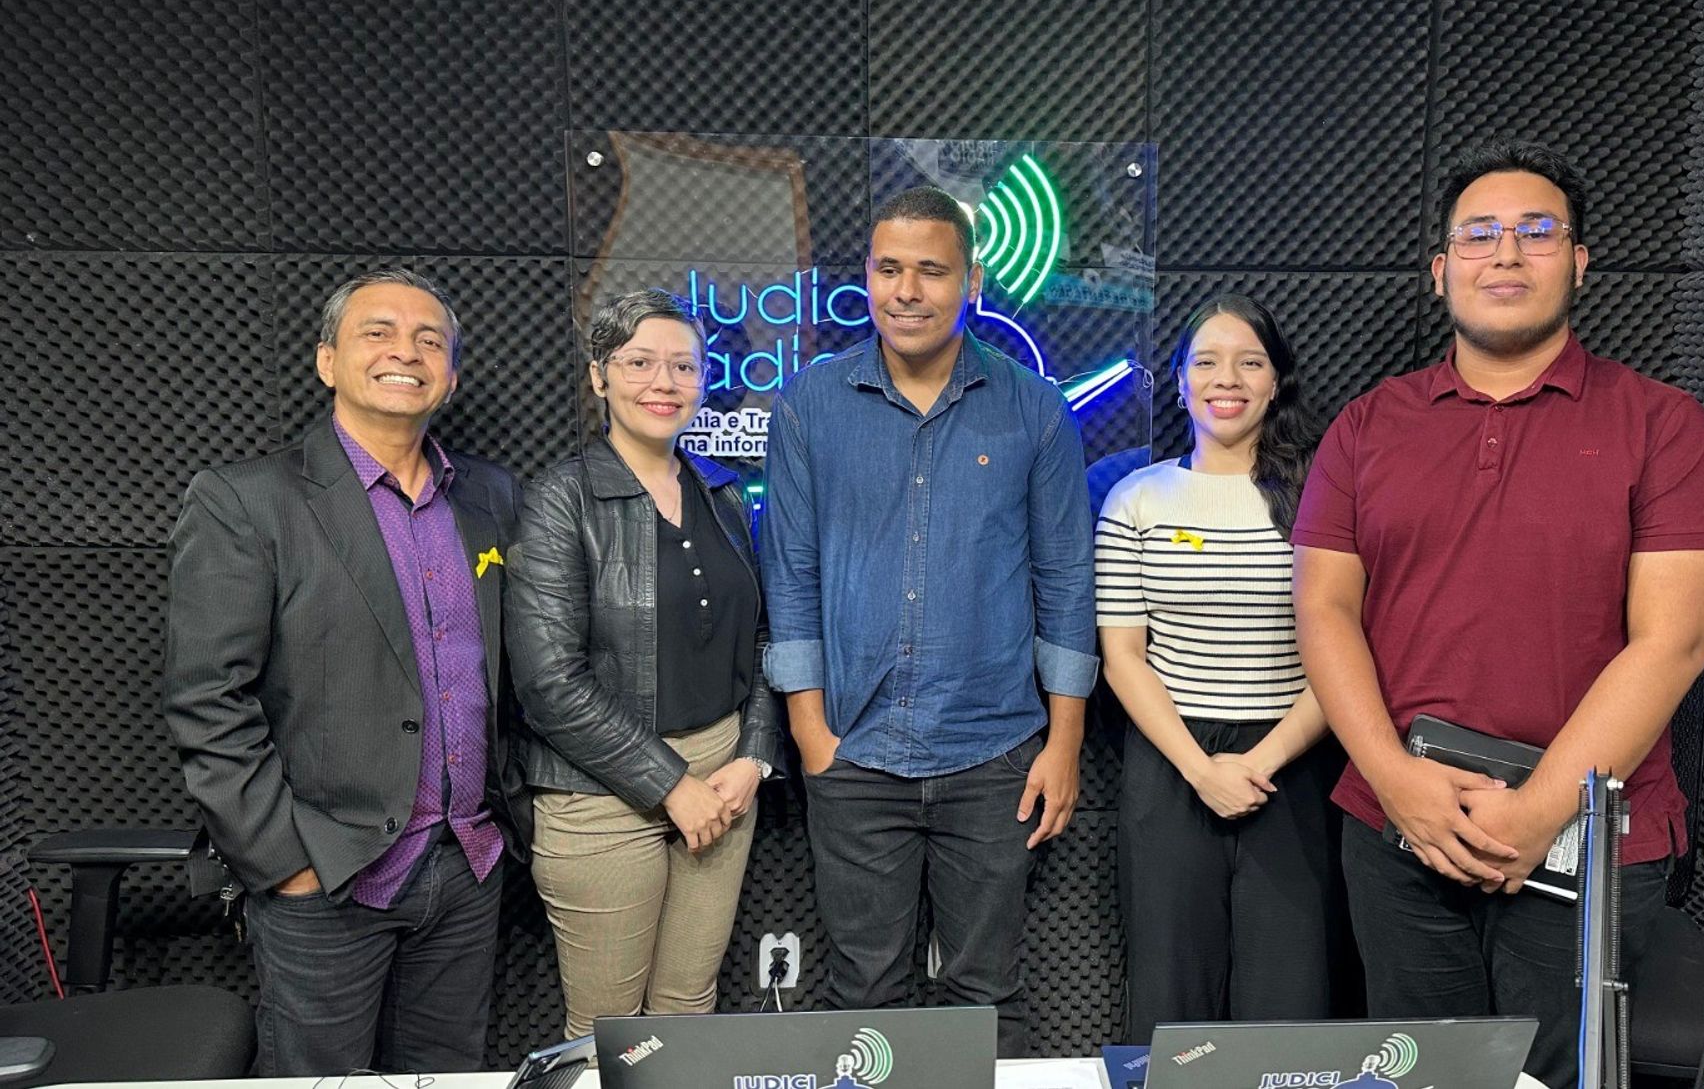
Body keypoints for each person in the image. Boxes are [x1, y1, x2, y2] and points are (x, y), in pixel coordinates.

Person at [1291, 143, 1704, 1089]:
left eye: (1537, 233)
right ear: (1440, 268)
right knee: (1419, 1073)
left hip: (1587, 836)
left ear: (1579, 263)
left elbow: (1675, 641)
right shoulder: (1368, 424)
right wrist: (1397, 784)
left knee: (1557, 1076)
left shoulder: (1664, 425)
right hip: (1398, 828)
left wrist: (1539, 813)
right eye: (1480, 234)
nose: (1506, 254)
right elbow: (1325, 611)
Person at [759, 185, 1098, 1056]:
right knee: (861, 989)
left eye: (931, 270)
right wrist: (809, 730)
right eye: (888, 268)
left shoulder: (1034, 410)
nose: (907, 289)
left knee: (986, 991)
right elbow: (790, 575)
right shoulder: (809, 404)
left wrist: (1062, 745)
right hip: (854, 752)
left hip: (995, 754)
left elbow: (1065, 582)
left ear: (972, 280)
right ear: (866, 276)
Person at [161, 269, 527, 1075]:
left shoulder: (493, 498)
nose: (407, 350)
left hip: (466, 870)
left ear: (453, 376)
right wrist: (284, 862)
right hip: (327, 878)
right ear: (327, 360)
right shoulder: (248, 500)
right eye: (378, 332)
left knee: (447, 1075)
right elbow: (206, 701)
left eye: (430, 339)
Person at [505, 289, 780, 1038]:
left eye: (683, 365)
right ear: (599, 377)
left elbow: (765, 640)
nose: (664, 381)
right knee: (608, 1030)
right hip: (599, 795)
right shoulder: (561, 498)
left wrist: (753, 757)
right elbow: (547, 682)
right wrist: (669, 784)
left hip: (722, 779)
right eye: (639, 362)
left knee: (689, 1014)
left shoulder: (723, 493)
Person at [1096, 294, 1343, 1041]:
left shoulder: (1324, 499)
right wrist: (1201, 768)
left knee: (1290, 993)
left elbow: (1345, 656)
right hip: (1171, 759)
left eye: (1248, 361)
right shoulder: (1135, 498)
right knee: (1172, 991)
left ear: (1276, 381)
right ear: (1177, 382)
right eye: (1204, 361)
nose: (1224, 378)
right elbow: (1123, 656)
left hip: (1293, 761)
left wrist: (1260, 761)